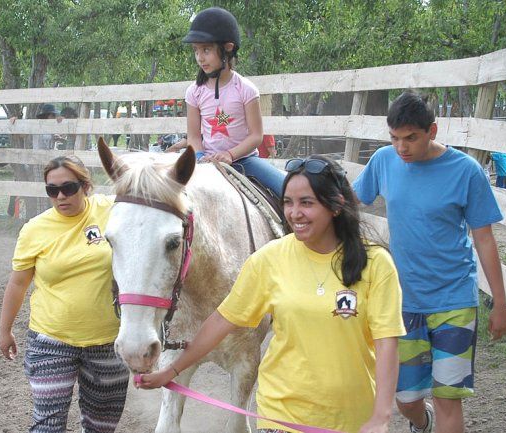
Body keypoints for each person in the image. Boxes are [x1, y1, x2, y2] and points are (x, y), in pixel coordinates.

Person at [138, 155, 406, 433]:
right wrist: (171, 371)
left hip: (350, 420)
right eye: (288, 202)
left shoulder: (375, 264)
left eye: (307, 203)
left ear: (336, 206)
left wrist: (381, 416)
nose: (294, 213)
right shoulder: (268, 259)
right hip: (280, 416)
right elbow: (221, 321)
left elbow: (387, 343)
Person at [352, 92, 506, 433]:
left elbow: (484, 237)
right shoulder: (383, 161)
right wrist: (307, 199)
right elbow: (350, 200)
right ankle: (421, 423)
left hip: (455, 299)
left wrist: (500, 302)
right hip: (404, 301)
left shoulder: (466, 171)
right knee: (406, 399)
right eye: (394, 138)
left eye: (411, 138)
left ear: (432, 131)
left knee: (447, 397)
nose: (402, 147)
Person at [0, 155, 128, 433]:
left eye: (68, 188)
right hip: (50, 338)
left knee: (101, 426)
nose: (60, 196)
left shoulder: (113, 210)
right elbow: (18, 283)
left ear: (86, 186)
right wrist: (4, 329)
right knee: (48, 425)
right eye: (52, 190)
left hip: (107, 339)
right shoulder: (34, 229)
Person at [182, 6, 285, 197]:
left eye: (206, 49)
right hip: (205, 160)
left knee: (288, 189)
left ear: (227, 48)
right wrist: (199, 156)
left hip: (244, 160)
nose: (200, 57)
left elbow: (256, 136)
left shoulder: (246, 89)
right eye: (196, 50)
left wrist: (230, 155)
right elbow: (194, 137)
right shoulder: (194, 92)